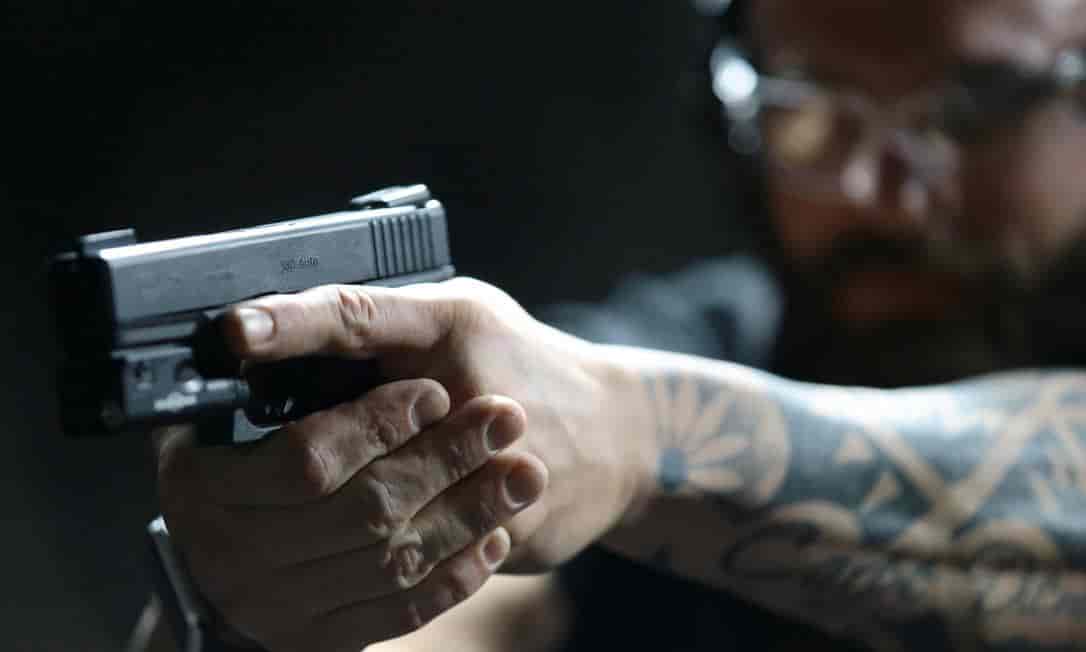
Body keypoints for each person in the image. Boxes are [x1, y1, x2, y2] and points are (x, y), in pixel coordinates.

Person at [150, 0, 1086, 650]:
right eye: (807, 106)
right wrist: (273, 601)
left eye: (975, 110)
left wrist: (635, 439)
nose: (868, 188)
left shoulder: (631, 405)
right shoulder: (691, 345)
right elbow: (458, 617)